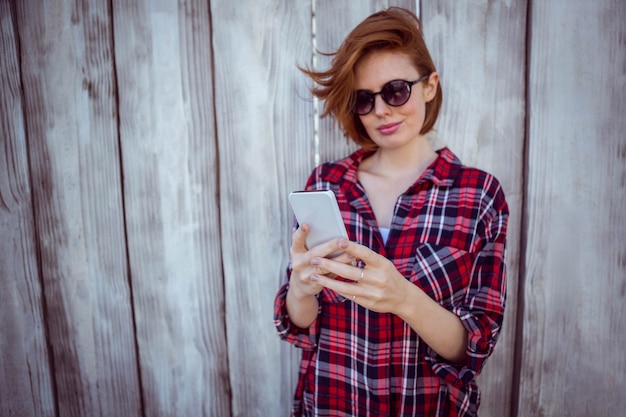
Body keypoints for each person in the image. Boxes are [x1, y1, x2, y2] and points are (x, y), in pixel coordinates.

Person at [273, 7, 509, 417]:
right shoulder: (325, 185)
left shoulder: (478, 194)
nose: (381, 110)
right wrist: (300, 287)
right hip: (332, 404)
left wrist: (403, 298)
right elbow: (300, 323)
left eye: (396, 90)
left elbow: (474, 346)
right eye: (365, 99)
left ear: (430, 86)